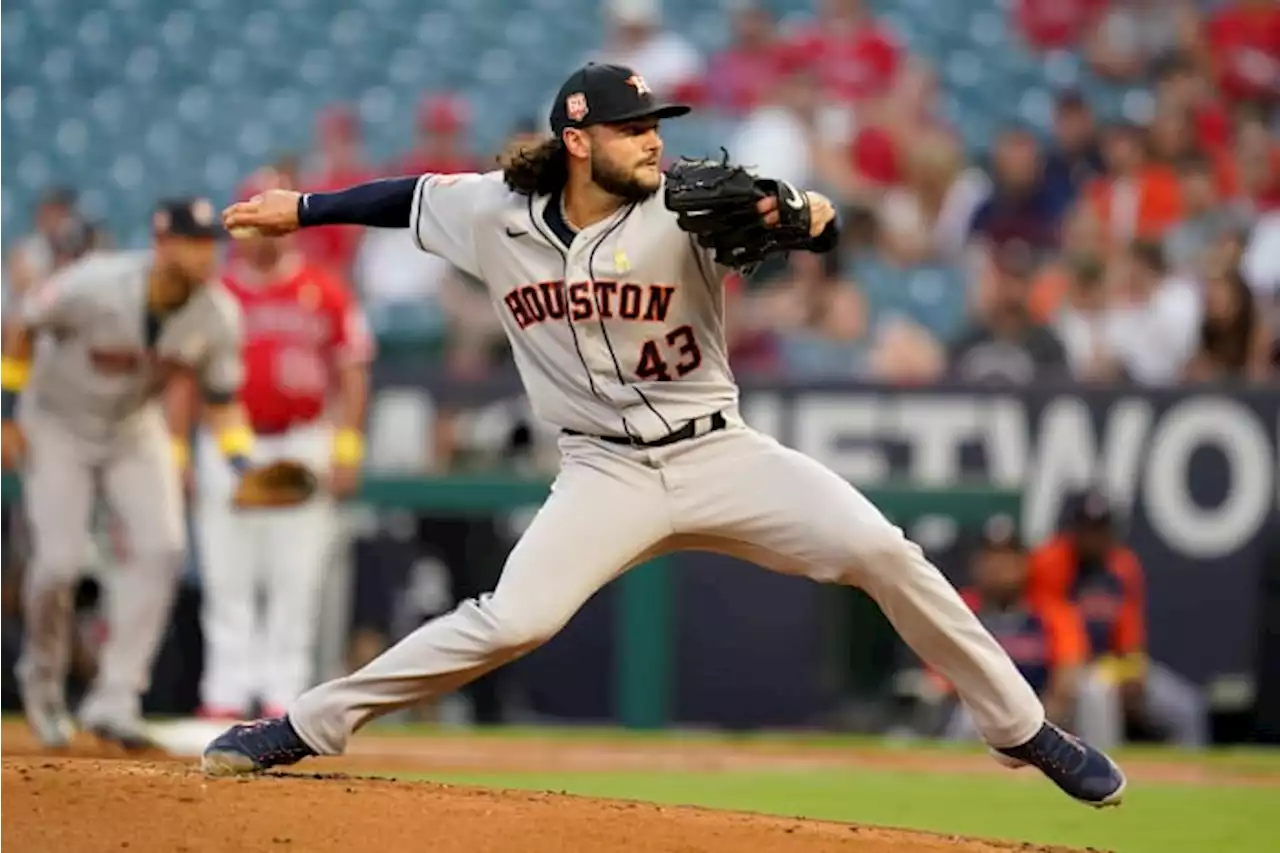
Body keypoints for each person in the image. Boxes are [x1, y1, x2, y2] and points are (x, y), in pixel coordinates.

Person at [204, 62, 1125, 807]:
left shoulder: (687, 205)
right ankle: (304, 725)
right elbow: (404, 196)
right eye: (633, 127)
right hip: (602, 473)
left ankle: (1022, 729)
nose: (654, 139)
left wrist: (799, 216)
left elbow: (811, 217)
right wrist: (306, 208)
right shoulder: (492, 211)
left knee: (883, 550)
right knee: (512, 618)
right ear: (576, 141)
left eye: (657, 124)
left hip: (721, 451)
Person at [0, 198, 251, 750]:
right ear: (163, 243)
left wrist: (242, 463)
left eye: (212, 242)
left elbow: (222, 399)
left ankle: (115, 699)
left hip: (134, 428)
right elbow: (24, 324)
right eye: (194, 241)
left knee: (163, 547)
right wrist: (7, 413)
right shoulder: (94, 283)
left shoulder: (217, 312)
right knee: (59, 565)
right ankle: (41, 687)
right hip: (57, 422)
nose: (206, 254)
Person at [187, 170, 374, 721]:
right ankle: (225, 693)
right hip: (228, 442)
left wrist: (347, 449)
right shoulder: (215, 291)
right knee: (227, 574)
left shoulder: (326, 290)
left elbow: (353, 371)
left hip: (302, 439)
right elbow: (186, 374)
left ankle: (281, 697)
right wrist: (182, 451)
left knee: (296, 575)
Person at [1029, 491, 1209, 748]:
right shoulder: (1050, 561)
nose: (1093, 538)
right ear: (1073, 530)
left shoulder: (1123, 565)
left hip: (1111, 666)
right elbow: (1058, 622)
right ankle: (1105, 775)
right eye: (1086, 529)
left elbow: (1129, 630)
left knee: (1186, 706)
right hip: (1062, 668)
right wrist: (1075, 666)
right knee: (1096, 693)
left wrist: (1134, 670)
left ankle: (1194, 781)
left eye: (1100, 529)